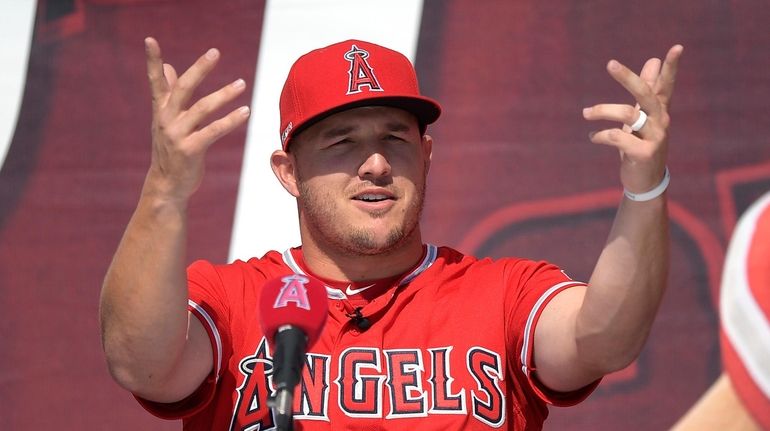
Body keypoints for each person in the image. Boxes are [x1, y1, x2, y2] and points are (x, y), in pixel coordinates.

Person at [99, 37, 683, 430]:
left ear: (425, 155)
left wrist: (645, 188)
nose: (375, 164)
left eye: (395, 139)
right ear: (288, 173)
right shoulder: (231, 299)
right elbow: (138, 362)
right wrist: (165, 190)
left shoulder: (503, 293)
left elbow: (604, 341)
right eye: (342, 142)